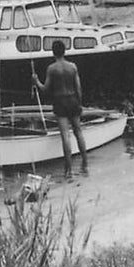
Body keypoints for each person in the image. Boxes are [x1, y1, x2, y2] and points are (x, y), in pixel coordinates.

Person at [32, 40, 89, 178]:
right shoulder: (73, 67)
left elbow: (45, 89)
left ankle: (68, 170)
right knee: (78, 132)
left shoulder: (51, 69)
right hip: (73, 100)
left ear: (53, 52)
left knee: (65, 135)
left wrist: (36, 81)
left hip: (60, 102)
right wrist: (79, 103)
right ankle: (85, 163)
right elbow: (78, 88)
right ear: (65, 51)